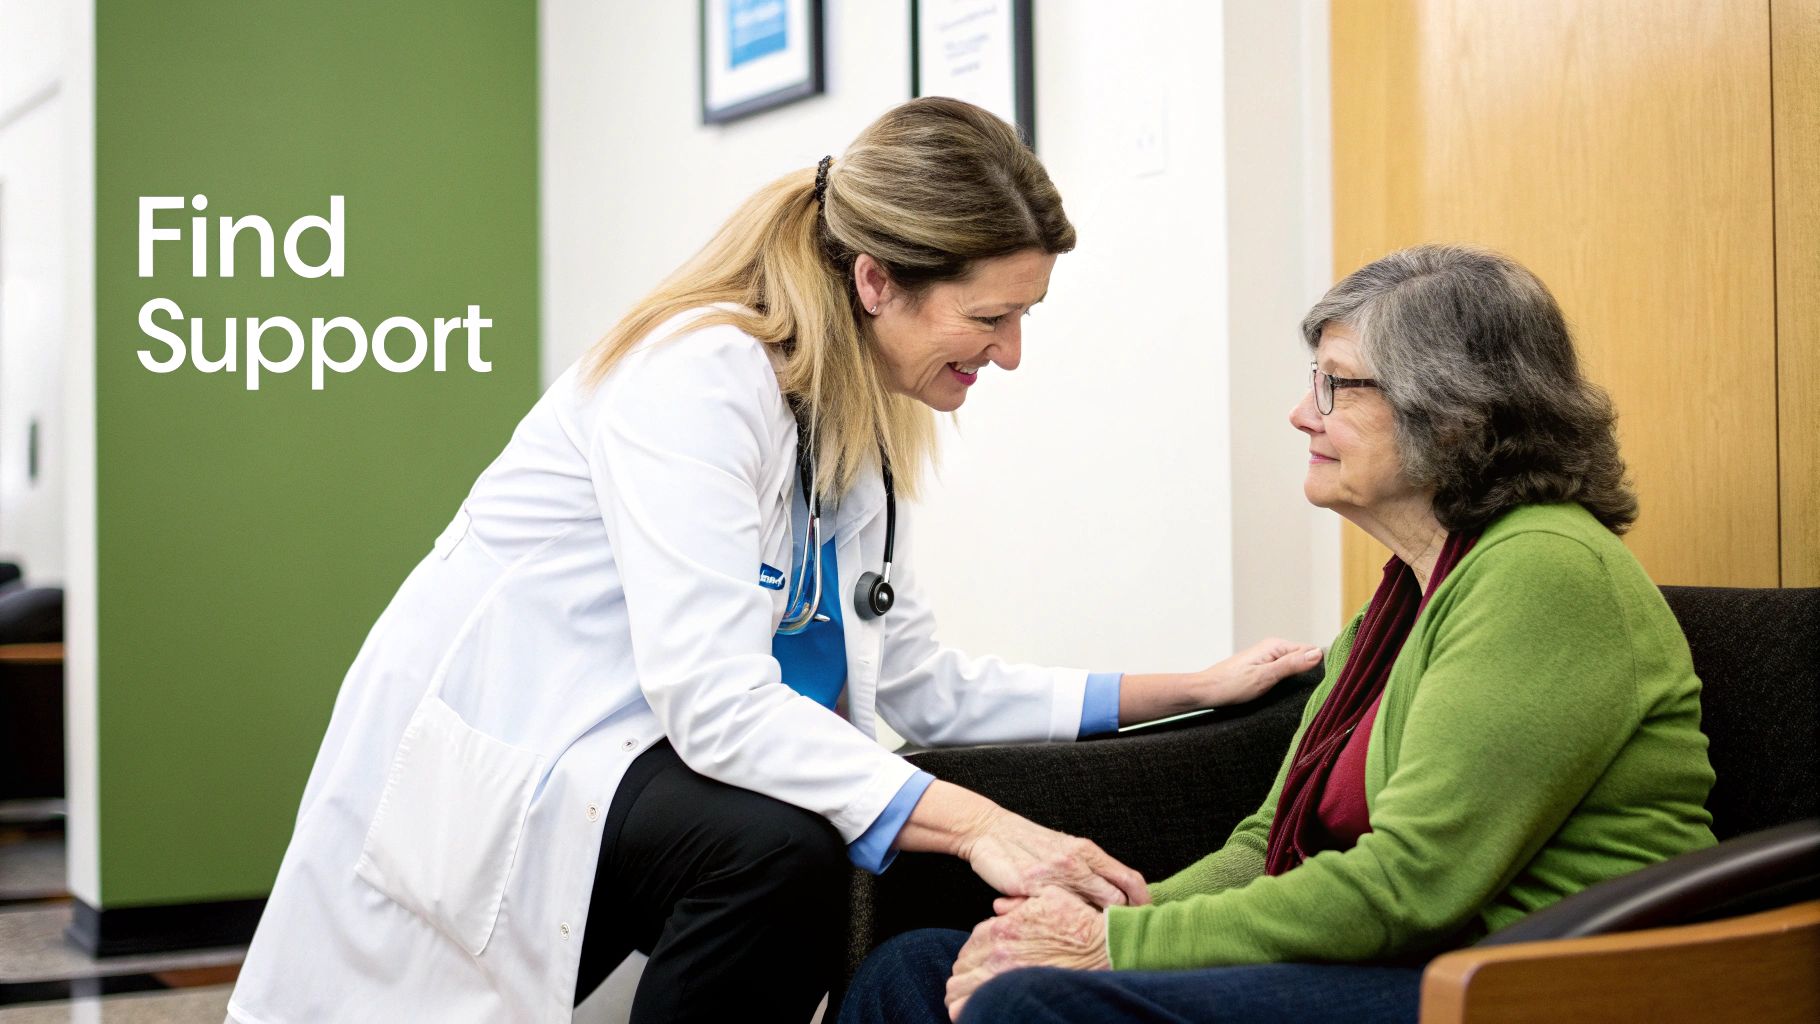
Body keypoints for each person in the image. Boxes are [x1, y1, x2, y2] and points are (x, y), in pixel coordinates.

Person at [224, 96, 1322, 1024]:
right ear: (877, 279)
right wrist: (983, 824)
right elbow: (712, 698)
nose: (1009, 353)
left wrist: (1186, 686)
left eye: (1022, 316)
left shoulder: (846, 421)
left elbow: (918, 681)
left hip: (625, 769)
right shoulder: (697, 378)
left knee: (836, 830)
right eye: (990, 316)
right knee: (784, 844)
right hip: (520, 757)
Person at [840, 244, 1719, 1024]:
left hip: (1524, 980)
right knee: (919, 965)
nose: (1304, 415)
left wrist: (1113, 949)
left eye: (1336, 386)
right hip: (1399, 956)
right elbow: (1265, 847)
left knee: (1035, 1000)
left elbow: (1409, 886)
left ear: (1454, 414)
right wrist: (1092, 925)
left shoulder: (1545, 573)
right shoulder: (1406, 600)